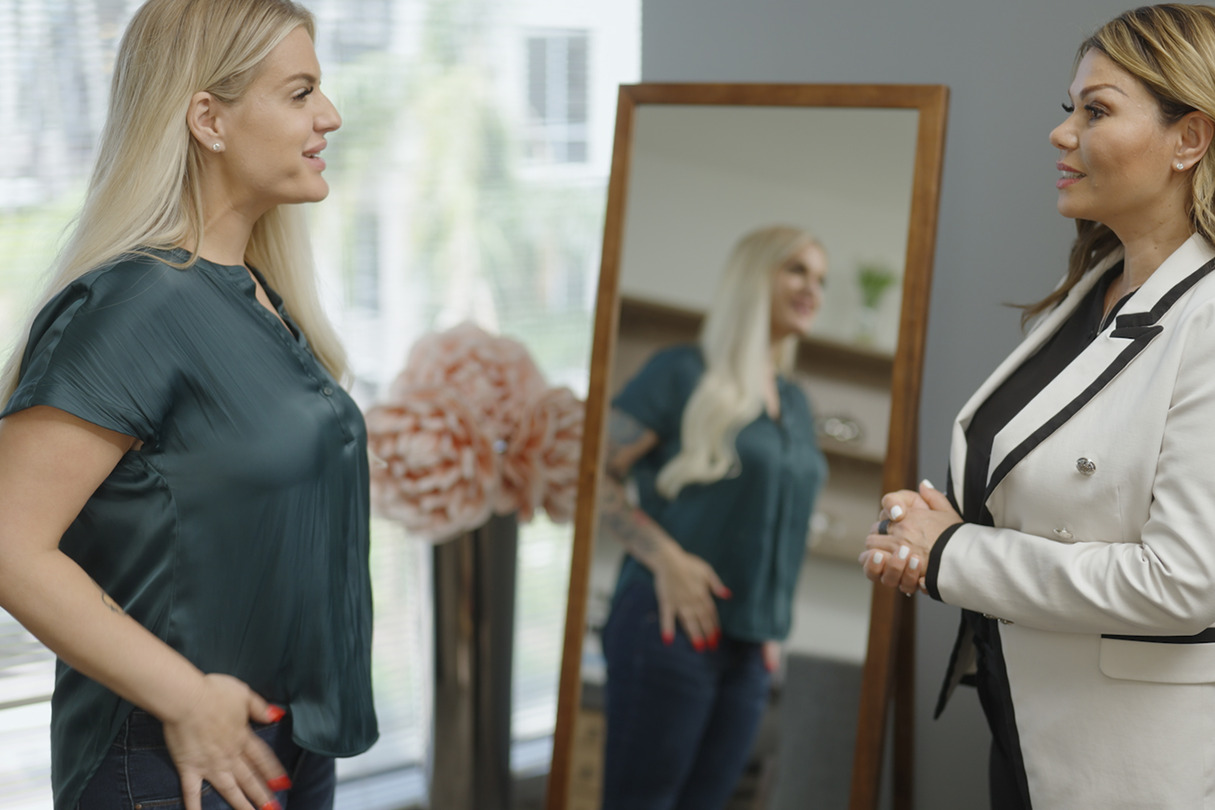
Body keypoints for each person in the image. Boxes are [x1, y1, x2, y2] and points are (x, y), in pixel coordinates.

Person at [0, 2, 377, 809]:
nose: (330, 116)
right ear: (207, 117)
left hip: (287, 739)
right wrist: (186, 696)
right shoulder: (137, 304)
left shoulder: (262, 300)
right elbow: (8, 543)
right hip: (171, 754)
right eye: (301, 91)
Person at [861, 4, 1215, 808]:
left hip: (1136, 762)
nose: (1062, 135)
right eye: (1069, 111)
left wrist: (951, 556)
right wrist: (919, 536)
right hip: (1023, 722)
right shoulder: (1094, 288)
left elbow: (1184, 583)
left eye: (1096, 111)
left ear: (1188, 140)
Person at [596, 225, 829, 809]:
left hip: (750, 648)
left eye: (821, 279)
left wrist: (767, 622)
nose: (813, 289)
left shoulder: (796, 402)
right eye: (797, 270)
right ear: (755, 277)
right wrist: (665, 559)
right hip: (669, 624)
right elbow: (591, 475)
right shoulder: (679, 372)